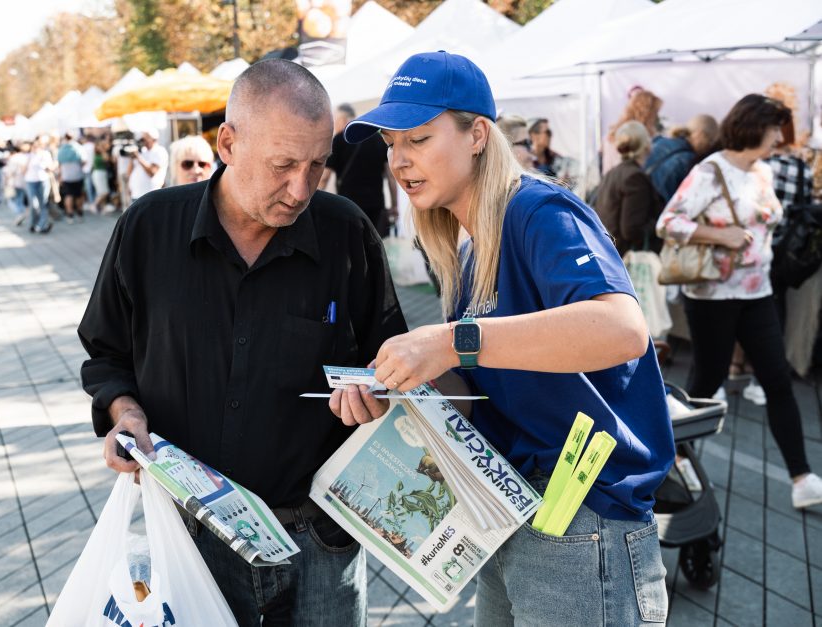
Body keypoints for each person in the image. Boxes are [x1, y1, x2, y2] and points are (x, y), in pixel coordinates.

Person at [335, 50, 673, 626]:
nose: (399, 161)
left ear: (478, 135)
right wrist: (405, 386)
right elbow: (489, 386)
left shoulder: (538, 211)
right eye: (392, 144)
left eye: (417, 138)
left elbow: (622, 329)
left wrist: (449, 342)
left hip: (582, 516)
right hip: (510, 506)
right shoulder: (464, 243)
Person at [78, 59, 408, 626]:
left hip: (319, 540)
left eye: (318, 165)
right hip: (191, 538)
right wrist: (125, 413)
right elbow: (106, 353)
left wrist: (378, 395)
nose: (301, 188)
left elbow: (391, 358)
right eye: (283, 165)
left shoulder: (346, 232)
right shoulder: (148, 228)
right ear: (227, 142)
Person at [656, 94, 822, 509]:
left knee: (777, 380)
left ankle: (801, 478)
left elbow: (772, 214)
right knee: (706, 382)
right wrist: (720, 234)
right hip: (713, 295)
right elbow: (668, 222)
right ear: (753, 127)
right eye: (773, 130)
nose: (777, 139)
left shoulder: (761, 171)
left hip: (757, 289)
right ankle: (670, 458)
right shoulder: (710, 172)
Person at [320, 103, 397, 236]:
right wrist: (395, 205)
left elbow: (324, 178)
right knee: (374, 246)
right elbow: (391, 177)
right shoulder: (378, 139)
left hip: (347, 206)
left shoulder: (338, 140)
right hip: (375, 205)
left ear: (343, 120)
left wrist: (313, 205)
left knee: (351, 247)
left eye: (336, 121)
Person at [594, 121, 662, 255]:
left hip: (608, 252)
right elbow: (631, 229)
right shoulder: (635, 177)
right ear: (646, 145)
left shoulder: (612, 173)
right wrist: (659, 223)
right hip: (626, 257)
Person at [645, 114, 720, 205]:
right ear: (701, 135)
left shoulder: (658, 141)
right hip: (655, 213)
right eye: (710, 141)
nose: (709, 147)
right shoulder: (689, 161)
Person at [604, 89, 663, 174]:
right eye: (655, 113)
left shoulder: (614, 135)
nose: (657, 117)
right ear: (647, 113)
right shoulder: (631, 137)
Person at [126, 128, 168, 202]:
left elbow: (152, 172)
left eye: (145, 138)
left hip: (150, 195)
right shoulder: (142, 151)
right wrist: (132, 157)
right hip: (136, 194)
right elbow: (129, 172)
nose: (143, 141)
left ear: (154, 138)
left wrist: (138, 157)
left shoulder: (160, 151)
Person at [24, 137, 55, 234]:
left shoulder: (45, 154)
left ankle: (41, 225)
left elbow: (51, 168)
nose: (36, 147)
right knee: (34, 204)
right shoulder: (29, 156)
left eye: (38, 146)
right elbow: (23, 170)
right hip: (31, 181)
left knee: (43, 203)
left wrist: (46, 165)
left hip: (43, 180)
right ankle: (34, 223)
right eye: (34, 146)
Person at [57, 132, 86, 222]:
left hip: (66, 176)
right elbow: (84, 161)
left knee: (68, 195)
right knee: (78, 195)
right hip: (77, 175)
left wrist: (60, 176)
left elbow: (59, 164)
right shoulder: (78, 147)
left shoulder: (61, 149)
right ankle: (79, 213)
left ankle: (70, 215)